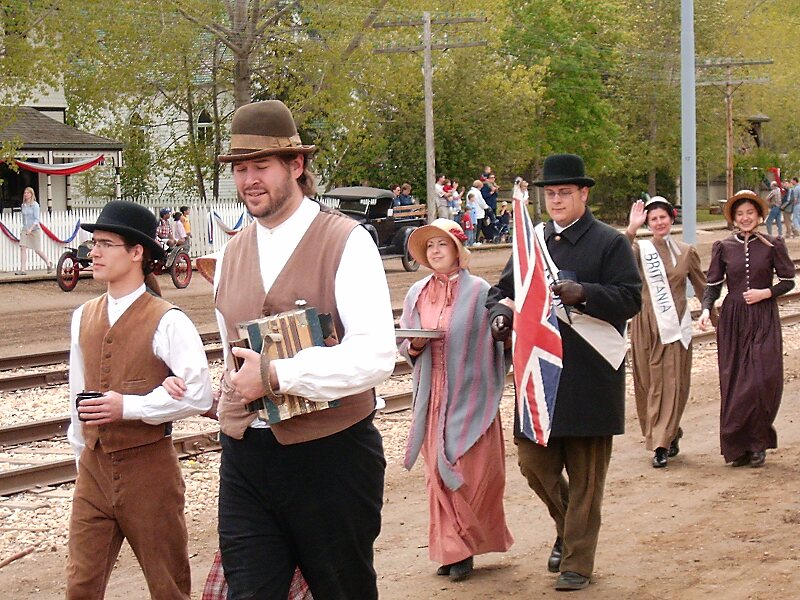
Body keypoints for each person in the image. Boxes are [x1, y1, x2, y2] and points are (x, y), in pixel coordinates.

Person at [212, 99, 396, 599]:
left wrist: (277, 376)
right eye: (240, 168)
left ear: (296, 166)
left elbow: (378, 354)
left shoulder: (346, 241)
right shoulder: (230, 253)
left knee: (343, 589)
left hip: (331, 457)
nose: (249, 179)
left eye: (261, 166)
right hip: (247, 457)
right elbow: (229, 347)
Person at [486, 154, 641, 591]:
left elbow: (631, 299)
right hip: (541, 378)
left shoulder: (610, 243)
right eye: (550, 194)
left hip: (590, 374)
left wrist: (584, 293)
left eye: (564, 193)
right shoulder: (533, 241)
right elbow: (504, 289)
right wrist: (499, 312)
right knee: (534, 465)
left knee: (588, 477)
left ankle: (577, 562)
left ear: (583, 194)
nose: (555, 200)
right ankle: (568, 526)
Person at [65, 200, 213, 599]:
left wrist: (132, 406)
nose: (92, 252)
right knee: (80, 586)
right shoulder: (83, 316)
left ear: (136, 253)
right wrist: (82, 450)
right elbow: (77, 392)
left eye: (105, 244)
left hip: (150, 470)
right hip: (94, 470)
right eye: (93, 243)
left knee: (168, 587)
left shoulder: (168, 320)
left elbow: (200, 393)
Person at [398, 219, 514, 582]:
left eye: (441, 245)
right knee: (437, 473)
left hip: (472, 394)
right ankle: (453, 550)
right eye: (429, 246)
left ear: (458, 251)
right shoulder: (416, 292)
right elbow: (405, 342)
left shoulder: (481, 291)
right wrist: (414, 345)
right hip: (432, 397)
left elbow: (501, 338)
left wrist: (503, 331)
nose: (434, 251)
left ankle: (468, 543)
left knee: (470, 472)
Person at [699, 190, 795, 468]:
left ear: (759, 215)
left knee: (762, 380)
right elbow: (713, 284)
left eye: (749, 213)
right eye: (740, 214)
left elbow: (788, 280)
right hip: (734, 319)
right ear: (734, 218)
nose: (745, 218)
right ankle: (739, 446)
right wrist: (706, 309)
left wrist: (767, 293)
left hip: (763, 316)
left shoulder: (773, 244)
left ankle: (758, 440)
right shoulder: (723, 246)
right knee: (736, 381)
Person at [625, 197, 707, 468]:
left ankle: (660, 445)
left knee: (669, 385)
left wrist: (712, 314)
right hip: (644, 325)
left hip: (674, 328)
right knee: (648, 385)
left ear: (672, 218)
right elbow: (616, 260)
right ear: (648, 222)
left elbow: (703, 287)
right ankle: (669, 432)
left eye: (663, 217)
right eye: (653, 219)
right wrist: (631, 229)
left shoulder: (686, 251)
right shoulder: (640, 249)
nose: (659, 223)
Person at [16, 186, 53, 275]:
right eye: (25, 193)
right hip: (25, 229)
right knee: (23, 248)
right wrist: (25, 229)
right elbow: (24, 219)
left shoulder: (35, 205)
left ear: (31, 194)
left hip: (34, 230)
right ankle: (23, 269)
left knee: (37, 250)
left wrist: (31, 229)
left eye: (28, 193)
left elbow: (36, 219)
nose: (26, 194)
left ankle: (48, 263)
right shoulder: (23, 205)